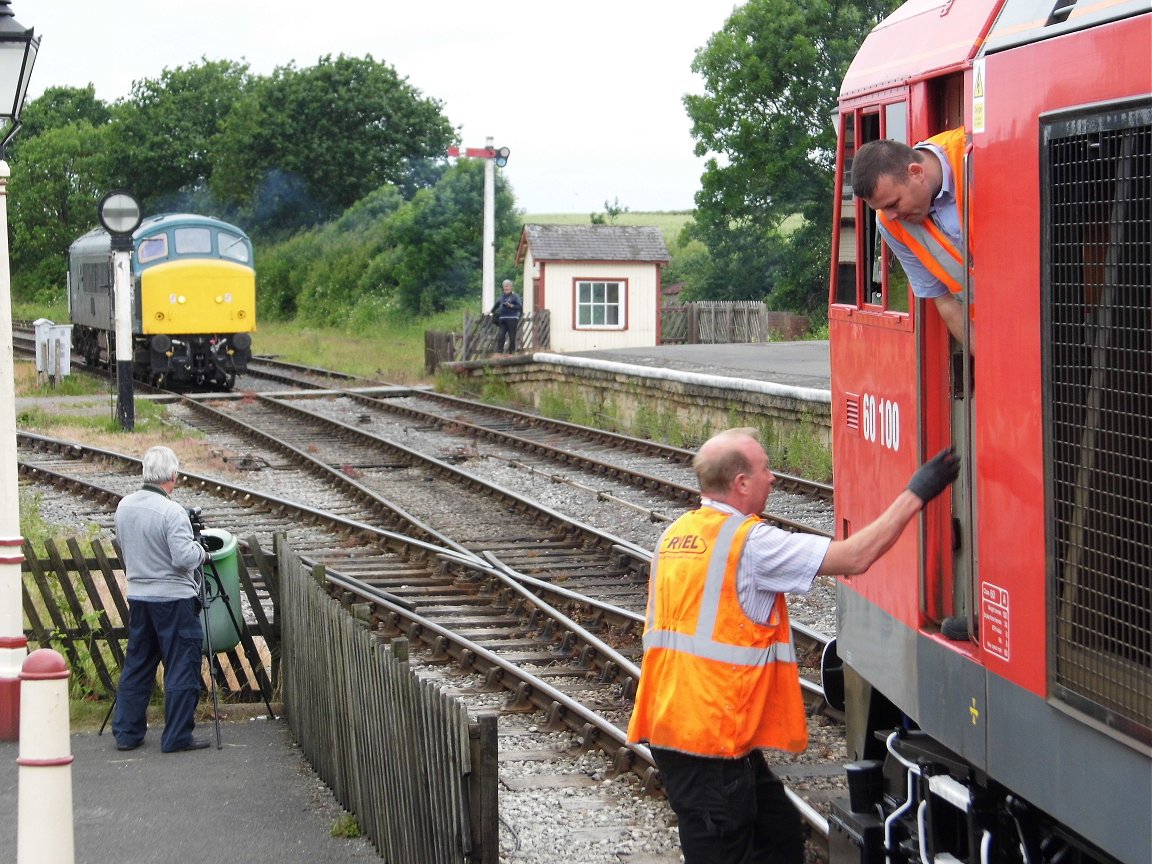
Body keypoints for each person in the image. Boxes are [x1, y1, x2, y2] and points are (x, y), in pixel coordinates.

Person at [627, 428, 959, 864]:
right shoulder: (749, 544)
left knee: (779, 833)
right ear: (741, 483)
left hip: (682, 726)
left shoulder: (678, 535)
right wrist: (919, 491)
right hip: (710, 742)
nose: (774, 478)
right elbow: (855, 556)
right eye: (766, 469)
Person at [112, 445, 211, 753]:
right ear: (173, 476)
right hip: (174, 600)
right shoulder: (172, 512)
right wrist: (202, 551)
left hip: (140, 596)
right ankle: (177, 736)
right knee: (182, 665)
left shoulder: (124, 506)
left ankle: (127, 733)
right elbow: (184, 559)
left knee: (138, 664)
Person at [851, 129, 970, 345]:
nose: (891, 216)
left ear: (916, 172)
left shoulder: (975, 149)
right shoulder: (889, 224)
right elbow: (944, 301)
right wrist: (986, 359)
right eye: (881, 209)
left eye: (893, 204)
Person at [490, 279, 523, 353]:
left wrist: (511, 306)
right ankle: (499, 352)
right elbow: (496, 305)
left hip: (512, 318)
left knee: (512, 337)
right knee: (501, 335)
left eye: (508, 286)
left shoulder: (515, 296)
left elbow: (520, 307)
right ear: (503, 287)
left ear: (511, 287)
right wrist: (490, 311)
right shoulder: (501, 296)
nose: (506, 288)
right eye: (505, 286)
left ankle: (512, 352)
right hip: (502, 318)